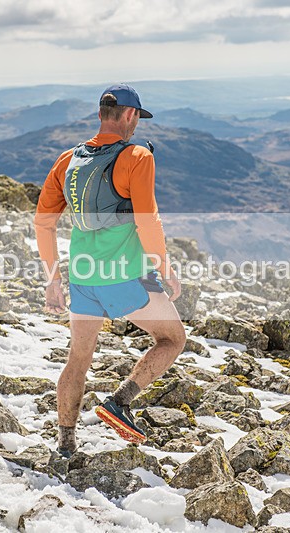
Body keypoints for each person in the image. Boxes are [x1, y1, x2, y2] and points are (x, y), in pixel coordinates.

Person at [34, 83, 187, 457]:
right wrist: (164, 266)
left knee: (78, 358)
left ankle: (66, 443)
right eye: (138, 118)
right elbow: (146, 219)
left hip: (82, 277)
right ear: (131, 115)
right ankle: (120, 401)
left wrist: (53, 280)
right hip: (123, 274)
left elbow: (43, 222)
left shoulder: (67, 160)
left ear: (101, 114)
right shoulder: (137, 156)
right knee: (172, 340)